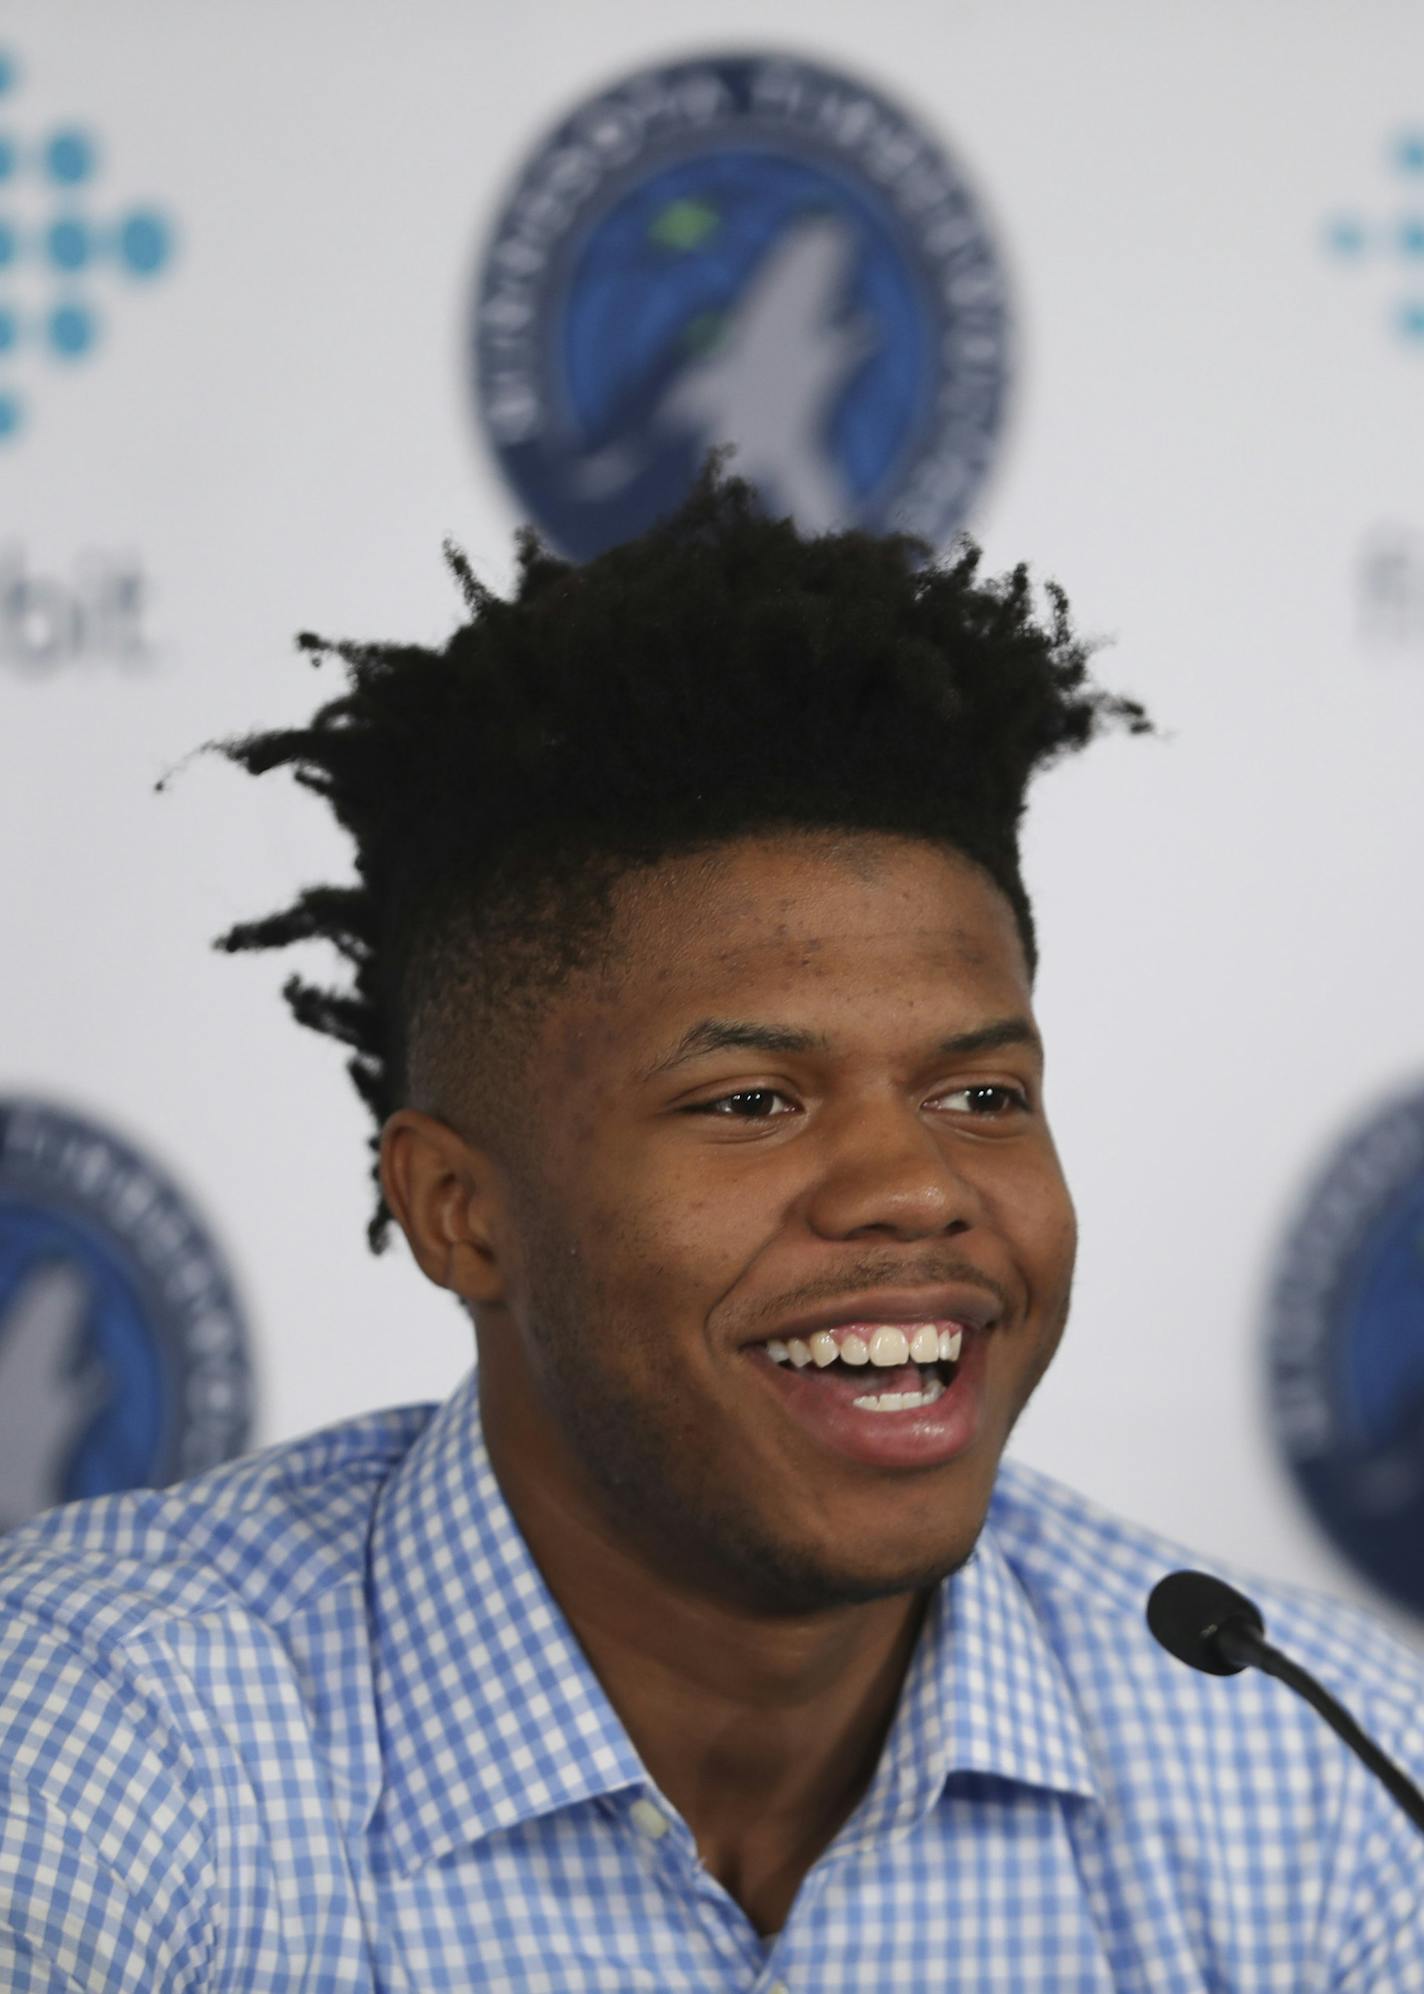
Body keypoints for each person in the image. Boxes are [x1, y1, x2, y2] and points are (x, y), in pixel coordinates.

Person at [2, 464, 1421, 1991]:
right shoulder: (100, 1728)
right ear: (460, 1213)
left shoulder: (1316, 1772)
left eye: (984, 1094)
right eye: (751, 1101)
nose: (916, 1186)